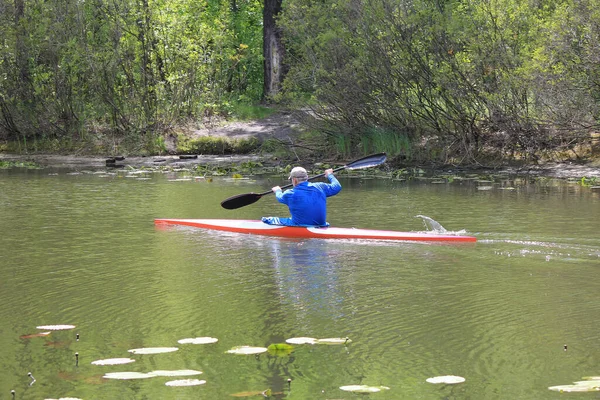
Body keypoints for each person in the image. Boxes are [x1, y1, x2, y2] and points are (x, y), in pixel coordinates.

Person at [261, 166, 341, 227]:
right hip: (322, 224)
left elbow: (279, 198)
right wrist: (330, 175)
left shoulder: (289, 193)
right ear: (307, 177)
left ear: (294, 180)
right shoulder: (320, 187)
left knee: (268, 220)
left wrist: (277, 191)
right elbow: (337, 186)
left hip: (300, 225)